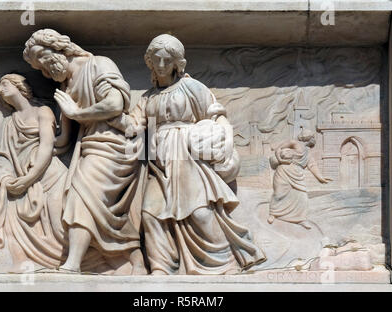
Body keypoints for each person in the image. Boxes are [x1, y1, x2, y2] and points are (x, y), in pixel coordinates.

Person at [110, 34, 266, 275]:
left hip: (188, 158)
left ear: (177, 63)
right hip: (157, 163)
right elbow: (134, 125)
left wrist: (217, 141)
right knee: (150, 213)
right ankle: (161, 266)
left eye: (167, 60)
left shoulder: (192, 87)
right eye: (156, 60)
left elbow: (215, 117)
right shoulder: (147, 98)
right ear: (150, 62)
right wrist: (105, 111)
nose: (161, 66)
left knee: (200, 213)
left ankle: (225, 264)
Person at [23, 29, 146, 274]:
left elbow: (114, 104)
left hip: (115, 145)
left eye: (43, 59)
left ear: (58, 48)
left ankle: (73, 265)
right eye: (39, 68)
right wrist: (32, 146)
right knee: (99, 209)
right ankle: (138, 263)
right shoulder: (66, 88)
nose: (45, 70)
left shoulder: (99, 64)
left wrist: (77, 113)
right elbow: (64, 139)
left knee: (81, 196)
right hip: (90, 147)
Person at [0, 73, 67, 271]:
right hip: (21, 179)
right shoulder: (9, 123)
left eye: (5, 83)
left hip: (49, 174)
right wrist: (6, 177)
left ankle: (78, 259)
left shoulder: (42, 111)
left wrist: (30, 178)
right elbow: (1, 156)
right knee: (12, 211)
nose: (1, 88)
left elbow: (47, 145)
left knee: (60, 222)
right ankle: (23, 262)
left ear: (20, 87)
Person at [268, 129, 331, 229]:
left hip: (297, 174)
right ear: (308, 137)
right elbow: (278, 149)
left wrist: (320, 178)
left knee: (302, 197)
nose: (313, 140)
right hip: (284, 170)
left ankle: (301, 219)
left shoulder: (308, 153)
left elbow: (312, 165)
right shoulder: (294, 143)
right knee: (279, 193)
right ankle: (273, 214)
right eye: (312, 137)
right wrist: (281, 160)